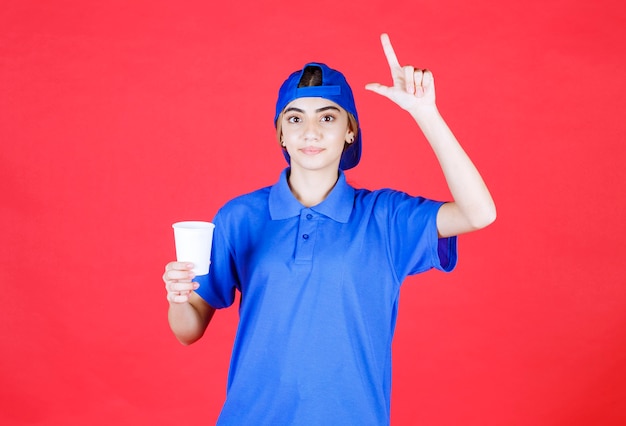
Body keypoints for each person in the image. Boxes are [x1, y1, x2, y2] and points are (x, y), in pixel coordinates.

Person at [163, 33, 496, 425]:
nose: (310, 131)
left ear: (349, 131)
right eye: (295, 118)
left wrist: (426, 114)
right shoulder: (239, 217)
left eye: (327, 117)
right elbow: (188, 330)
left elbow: (478, 214)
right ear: (281, 134)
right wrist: (179, 297)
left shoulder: (384, 218)